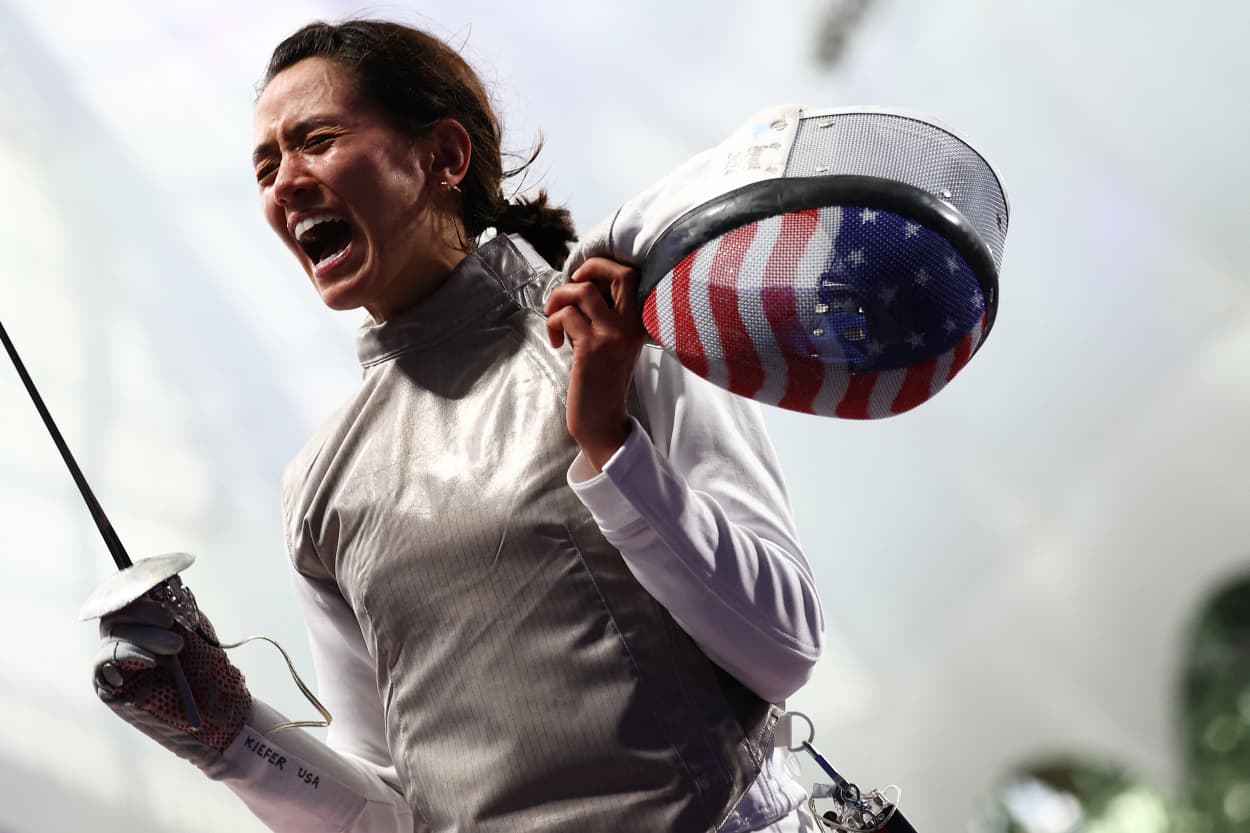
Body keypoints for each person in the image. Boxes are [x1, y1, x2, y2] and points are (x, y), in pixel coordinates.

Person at [92, 18, 825, 833]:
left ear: (443, 155)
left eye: (316, 141)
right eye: (266, 166)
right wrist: (227, 734)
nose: (285, 184)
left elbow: (783, 648)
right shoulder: (320, 484)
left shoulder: (618, 339)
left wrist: (610, 445)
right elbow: (393, 811)